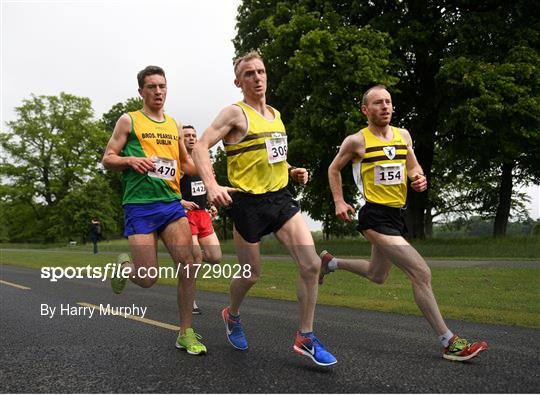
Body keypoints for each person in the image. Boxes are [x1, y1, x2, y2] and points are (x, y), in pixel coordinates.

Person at [323, 84, 488, 362]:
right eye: (377, 103)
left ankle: (330, 263)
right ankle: (449, 342)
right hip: (374, 216)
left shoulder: (403, 136)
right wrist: (339, 201)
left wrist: (418, 177)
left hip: (397, 215)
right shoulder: (356, 141)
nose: (385, 106)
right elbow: (333, 168)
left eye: (388, 102)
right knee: (421, 272)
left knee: (378, 275)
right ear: (365, 110)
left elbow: (412, 165)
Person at [192, 52, 337, 366]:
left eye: (260, 71)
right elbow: (200, 145)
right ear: (238, 82)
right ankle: (232, 314)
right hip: (247, 204)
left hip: (280, 198)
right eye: (249, 74)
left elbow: (273, 157)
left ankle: (306, 337)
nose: (257, 77)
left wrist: (292, 169)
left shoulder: (275, 114)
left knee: (311, 265)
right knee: (251, 275)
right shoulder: (234, 114)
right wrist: (212, 185)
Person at [102, 65, 206, 355]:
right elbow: (108, 158)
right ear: (141, 91)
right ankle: (123, 267)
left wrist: (212, 178)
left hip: (171, 205)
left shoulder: (173, 125)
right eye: (152, 87)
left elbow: (185, 165)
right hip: (139, 206)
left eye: (162, 86)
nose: (158, 91)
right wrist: (129, 161)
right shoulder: (129, 121)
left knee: (189, 263)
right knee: (148, 279)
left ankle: (186, 332)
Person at [180, 125, 223, 315]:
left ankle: (185, 263)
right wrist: (181, 201)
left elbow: (206, 186)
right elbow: (165, 187)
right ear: (181, 139)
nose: (190, 138)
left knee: (215, 257)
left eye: (193, 135)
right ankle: (191, 301)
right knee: (195, 259)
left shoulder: (204, 161)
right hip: (185, 215)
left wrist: (211, 203)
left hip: (203, 214)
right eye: (186, 135)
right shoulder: (178, 162)